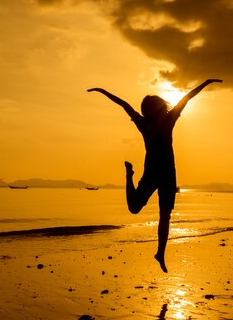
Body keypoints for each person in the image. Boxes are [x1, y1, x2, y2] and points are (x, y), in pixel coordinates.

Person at [88, 78, 222, 272]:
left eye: (148, 107)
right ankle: (129, 176)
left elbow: (187, 97)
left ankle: (160, 253)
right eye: (144, 108)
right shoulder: (143, 124)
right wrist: (102, 90)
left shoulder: (169, 119)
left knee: (165, 215)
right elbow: (124, 104)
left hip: (168, 174)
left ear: (156, 108)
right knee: (134, 208)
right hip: (151, 173)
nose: (145, 110)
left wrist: (206, 82)